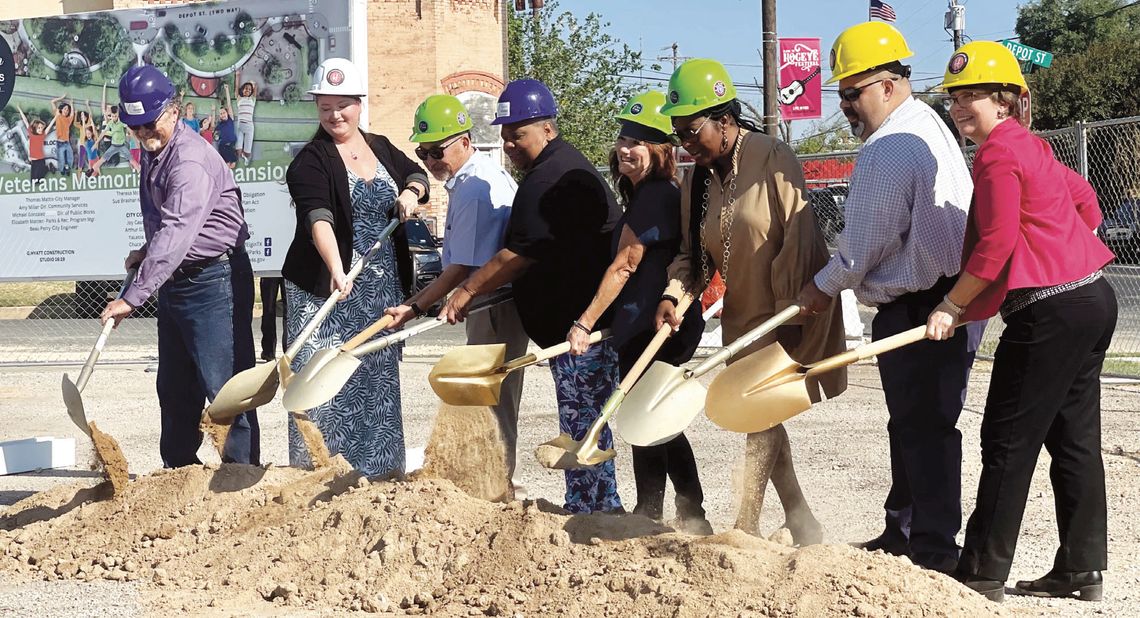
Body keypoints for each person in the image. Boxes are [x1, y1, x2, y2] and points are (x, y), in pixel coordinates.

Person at [927, 41, 1117, 602]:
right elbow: (1088, 204)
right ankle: (1082, 570)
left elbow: (996, 243)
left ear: (1006, 101)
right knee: (1074, 438)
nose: (961, 109)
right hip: (1092, 297)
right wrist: (1065, 247)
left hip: (1051, 311)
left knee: (1008, 439)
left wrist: (951, 305)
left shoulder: (996, 155)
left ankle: (982, 573)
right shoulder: (1031, 148)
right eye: (955, 99)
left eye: (973, 98)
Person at [796, 22, 979, 573]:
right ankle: (905, 529)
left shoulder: (889, 148)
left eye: (854, 93)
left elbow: (863, 247)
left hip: (924, 306)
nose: (846, 105)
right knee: (915, 424)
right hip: (945, 300)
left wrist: (820, 289)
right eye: (841, 94)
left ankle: (933, 550)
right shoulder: (929, 124)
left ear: (891, 85)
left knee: (924, 428)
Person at [657, 59, 846, 544]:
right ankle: (802, 519)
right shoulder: (696, 182)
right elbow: (693, 255)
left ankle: (748, 522)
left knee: (758, 414)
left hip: (788, 309)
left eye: (692, 130)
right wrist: (674, 296)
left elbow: (799, 237)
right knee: (761, 415)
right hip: (741, 318)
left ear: (725, 120)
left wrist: (789, 317)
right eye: (678, 133)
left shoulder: (772, 156)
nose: (686, 143)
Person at [442, 79, 624, 514]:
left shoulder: (551, 177)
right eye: (504, 135)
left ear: (546, 129)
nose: (509, 144)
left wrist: (468, 288)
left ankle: (594, 511)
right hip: (574, 327)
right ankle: (598, 506)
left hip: (583, 329)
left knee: (584, 423)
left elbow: (518, 254)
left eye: (517, 134)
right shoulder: (553, 168)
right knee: (584, 419)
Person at [98, 65, 259, 467]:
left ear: (173, 111)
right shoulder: (155, 152)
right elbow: (164, 226)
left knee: (226, 390)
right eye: (135, 129)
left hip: (214, 280)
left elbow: (178, 229)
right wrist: (145, 250)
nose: (144, 136)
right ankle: (179, 476)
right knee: (173, 388)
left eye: (150, 125)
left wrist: (132, 298)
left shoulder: (189, 160)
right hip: (177, 280)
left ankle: (239, 479)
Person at [566, 90, 710, 531]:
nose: (628, 148)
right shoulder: (650, 193)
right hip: (642, 326)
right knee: (644, 420)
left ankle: (690, 514)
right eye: (625, 138)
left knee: (656, 422)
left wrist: (584, 322)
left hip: (659, 327)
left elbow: (625, 265)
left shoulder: (655, 196)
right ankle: (652, 511)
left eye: (642, 141)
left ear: (662, 150)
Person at [280, 58, 430, 478]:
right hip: (327, 290)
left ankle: (380, 475)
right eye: (325, 107)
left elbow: (415, 173)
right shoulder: (310, 161)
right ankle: (321, 475)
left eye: (342, 105)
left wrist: (411, 192)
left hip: (380, 288)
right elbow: (318, 219)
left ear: (359, 103)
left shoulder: (379, 145)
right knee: (325, 379)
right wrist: (336, 267)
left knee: (376, 378)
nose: (334, 115)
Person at [384, 94, 529, 495]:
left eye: (437, 150)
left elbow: (462, 269)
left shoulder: (474, 191)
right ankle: (490, 482)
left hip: (494, 305)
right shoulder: (470, 179)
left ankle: (496, 487)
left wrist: (414, 307)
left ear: (465, 141)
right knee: (486, 397)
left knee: (489, 400)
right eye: (423, 152)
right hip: (490, 301)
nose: (430, 160)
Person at [88, 104, 141, 175]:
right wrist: (95, 143)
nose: (114, 118)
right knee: (102, 160)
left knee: (132, 160)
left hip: (122, 146)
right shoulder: (110, 123)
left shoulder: (122, 122)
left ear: (118, 114)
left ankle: (140, 171)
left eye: (115, 116)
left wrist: (136, 141)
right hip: (113, 146)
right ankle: (91, 171)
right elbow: (103, 133)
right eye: (112, 116)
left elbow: (130, 131)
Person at [15, 104, 54, 181]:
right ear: (35, 127)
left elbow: (50, 126)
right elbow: (25, 121)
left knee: (39, 179)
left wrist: (56, 117)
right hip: (33, 161)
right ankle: (47, 168)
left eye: (42, 128)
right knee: (33, 181)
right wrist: (20, 110)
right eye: (39, 128)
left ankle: (47, 168)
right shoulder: (31, 133)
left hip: (40, 160)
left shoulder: (42, 135)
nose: (40, 130)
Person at [259, 276, 285, 362]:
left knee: (268, 310)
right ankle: (289, 350)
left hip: (270, 268)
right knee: (288, 312)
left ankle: (268, 351)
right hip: (282, 268)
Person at [234, 72, 258, 164]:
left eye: (249, 89)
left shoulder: (252, 100)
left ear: (251, 92)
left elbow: (256, 86)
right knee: (238, 152)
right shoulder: (239, 98)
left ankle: (246, 156)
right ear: (242, 90)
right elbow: (236, 87)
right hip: (240, 127)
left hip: (249, 128)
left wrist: (251, 83)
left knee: (247, 153)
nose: (247, 90)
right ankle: (240, 155)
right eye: (245, 88)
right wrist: (237, 76)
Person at [51, 95, 75, 175]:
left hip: (67, 143)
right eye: (65, 109)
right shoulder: (58, 116)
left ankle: (67, 168)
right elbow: (52, 102)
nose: (66, 111)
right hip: (60, 143)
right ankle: (62, 170)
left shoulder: (68, 120)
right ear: (61, 110)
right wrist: (61, 98)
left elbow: (72, 114)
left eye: (67, 110)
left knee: (70, 158)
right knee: (61, 159)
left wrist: (71, 104)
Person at [216, 85, 239, 169]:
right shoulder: (219, 125)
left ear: (227, 113)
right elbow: (215, 134)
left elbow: (229, 104)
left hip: (231, 145)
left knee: (233, 165)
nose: (222, 115)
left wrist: (227, 90)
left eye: (224, 113)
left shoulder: (230, 119)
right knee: (227, 165)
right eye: (221, 114)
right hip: (223, 146)